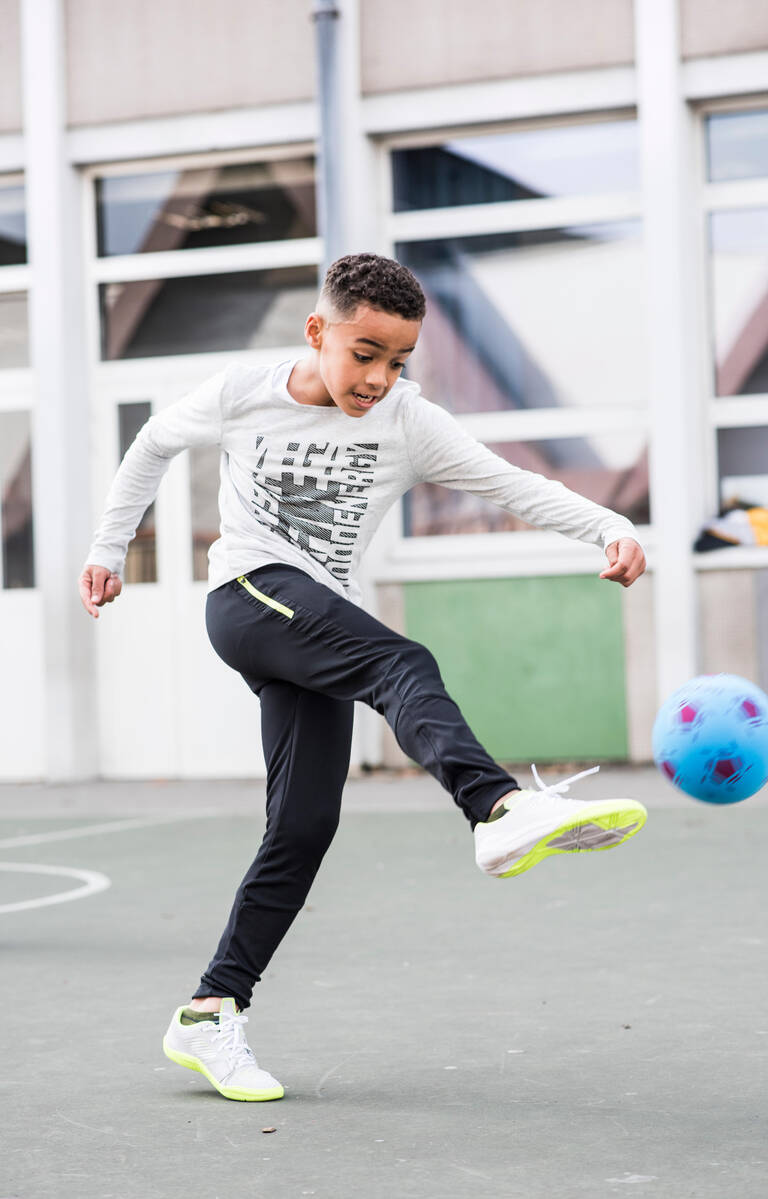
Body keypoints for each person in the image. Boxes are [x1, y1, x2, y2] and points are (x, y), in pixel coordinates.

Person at [78, 253, 647, 1104]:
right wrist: (106, 547)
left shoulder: (407, 422)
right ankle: (494, 807)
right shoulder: (243, 393)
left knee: (304, 824)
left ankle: (209, 1010)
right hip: (246, 594)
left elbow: (509, 482)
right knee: (400, 660)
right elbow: (154, 441)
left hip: (313, 623)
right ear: (318, 331)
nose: (380, 377)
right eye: (365, 352)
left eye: (399, 361)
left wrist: (609, 524)